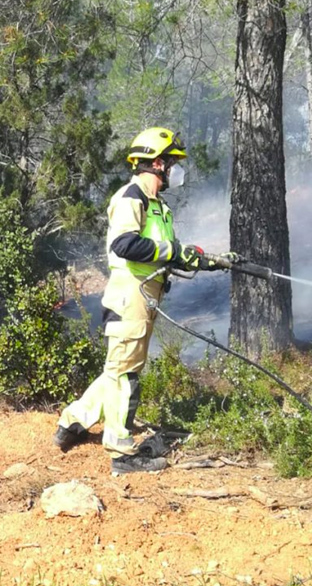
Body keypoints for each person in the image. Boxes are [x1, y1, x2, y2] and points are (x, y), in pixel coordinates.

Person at [52, 128, 220, 474]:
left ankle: (72, 421)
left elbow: (165, 252)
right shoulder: (132, 197)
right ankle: (122, 452)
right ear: (157, 163)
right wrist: (173, 251)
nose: (176, 169)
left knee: (117, 368)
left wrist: (203, 259)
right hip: (130, 295)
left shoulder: (159, 205)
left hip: (145, 295)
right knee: (127, 374)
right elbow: (125, 245)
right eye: (172, 162)